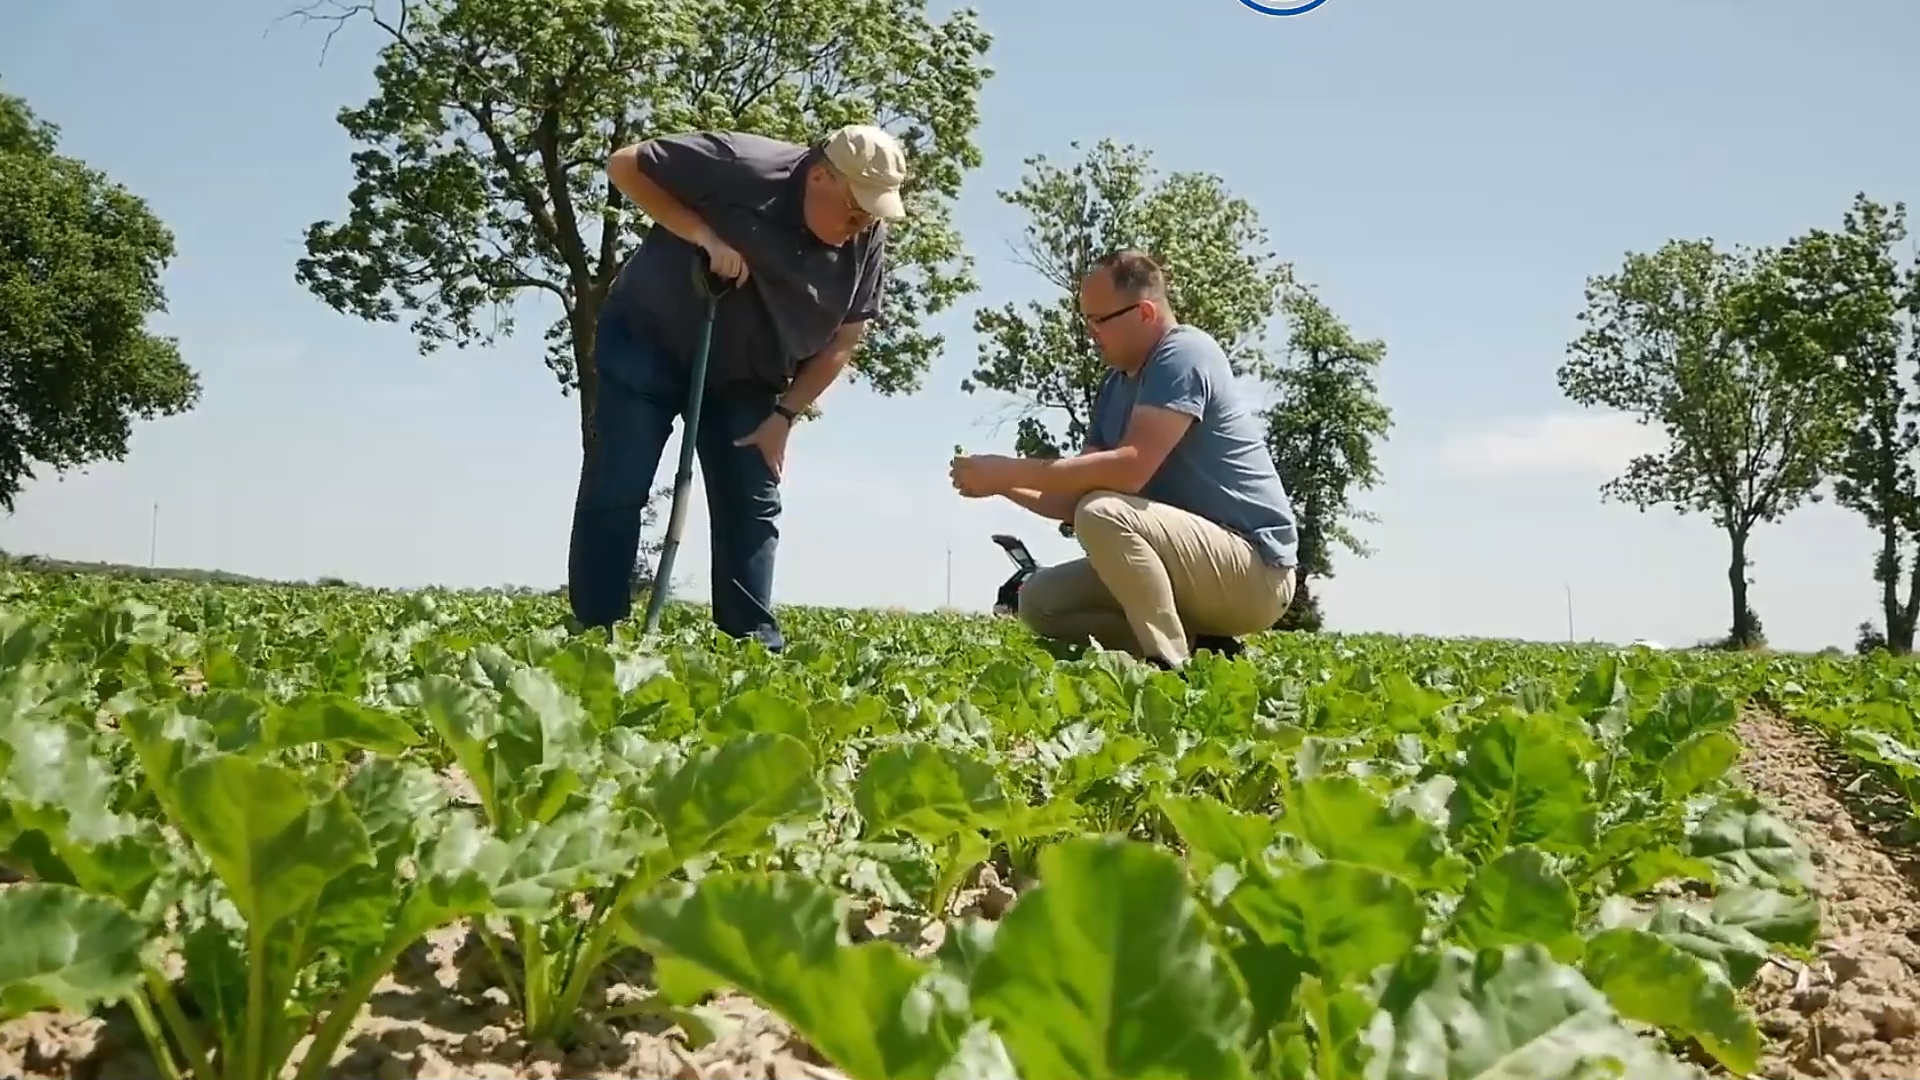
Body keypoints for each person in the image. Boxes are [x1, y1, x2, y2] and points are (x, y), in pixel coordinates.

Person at [568, 124, 903, 649]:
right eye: (854, 210)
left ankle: (750, 645)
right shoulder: (741, 164)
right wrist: (704, 235)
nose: (860, 226)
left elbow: (844, 338)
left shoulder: (867, 237)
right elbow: (625, 164)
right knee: (619, 485)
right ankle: (596, 634)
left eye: (870, 216)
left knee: (752, 503)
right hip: (647, 342)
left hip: (749, 375)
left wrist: (785, 416)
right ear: (819, 176)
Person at [949, 250, 1299, 668]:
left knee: (1104, 512)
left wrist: (1010, 468)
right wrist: (1001, 483)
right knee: (1041, 601)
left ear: (1145, 312)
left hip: (1255, 573)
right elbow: (1073, 499)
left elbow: (1129, 469)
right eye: (1086, 320)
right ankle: (1204, 646)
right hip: (1191, 569)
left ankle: (1169, 664)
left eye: (1100, 320)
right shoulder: (1115, 388)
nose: (1091, 332)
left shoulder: (1185, 353)